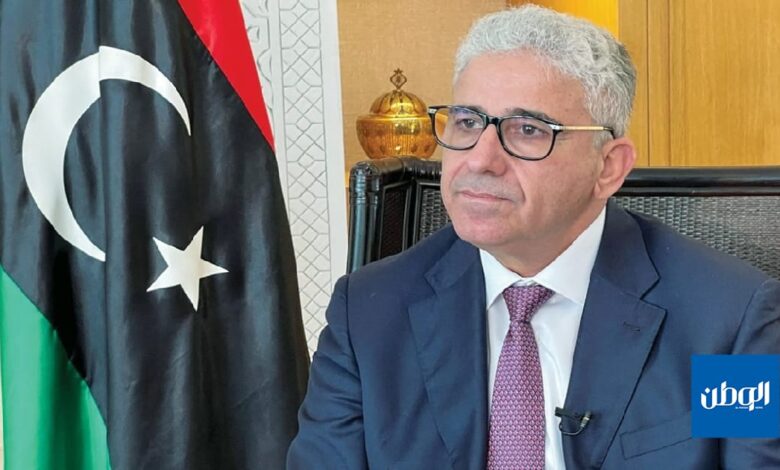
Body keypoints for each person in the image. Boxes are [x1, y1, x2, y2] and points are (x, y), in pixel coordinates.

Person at [287, 5, 780, 469]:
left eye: (527, 130)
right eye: (467, 122)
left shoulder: (730, 323)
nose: (480, 159)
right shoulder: (368, 314)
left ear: (608, 167)